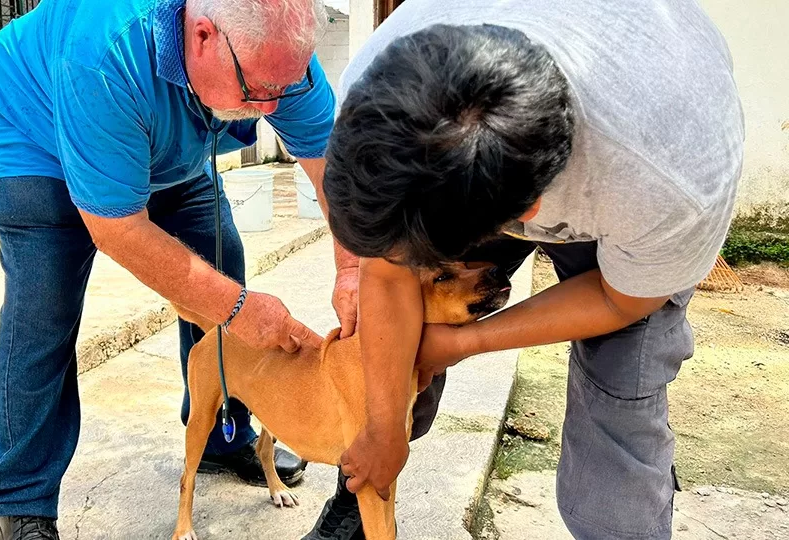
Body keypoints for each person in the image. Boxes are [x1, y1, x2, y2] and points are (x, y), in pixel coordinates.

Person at [310, 0, 745, 538]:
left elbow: (619, 299)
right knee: (392, 355)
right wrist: (383, 427)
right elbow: (387, 273)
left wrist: (469, 341)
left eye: (436, 261)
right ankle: (363, 495)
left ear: (526, 216)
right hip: (498, 163)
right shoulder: (380, 92)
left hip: (628, 193)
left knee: (618, 419)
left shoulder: (670, 185)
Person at [0, 0, 361, 537]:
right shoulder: (105, 55)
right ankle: (23, 503)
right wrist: (236, 308)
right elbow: (118, 228)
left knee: (222, 258)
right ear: (202, 36)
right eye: (259, 92)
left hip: (162, 140)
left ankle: (222, 437)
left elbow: (331, 172)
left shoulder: (274, 57)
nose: (272, 107)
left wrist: (353, 269)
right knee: (44, 310)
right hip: (34, 137)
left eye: (283, 90)